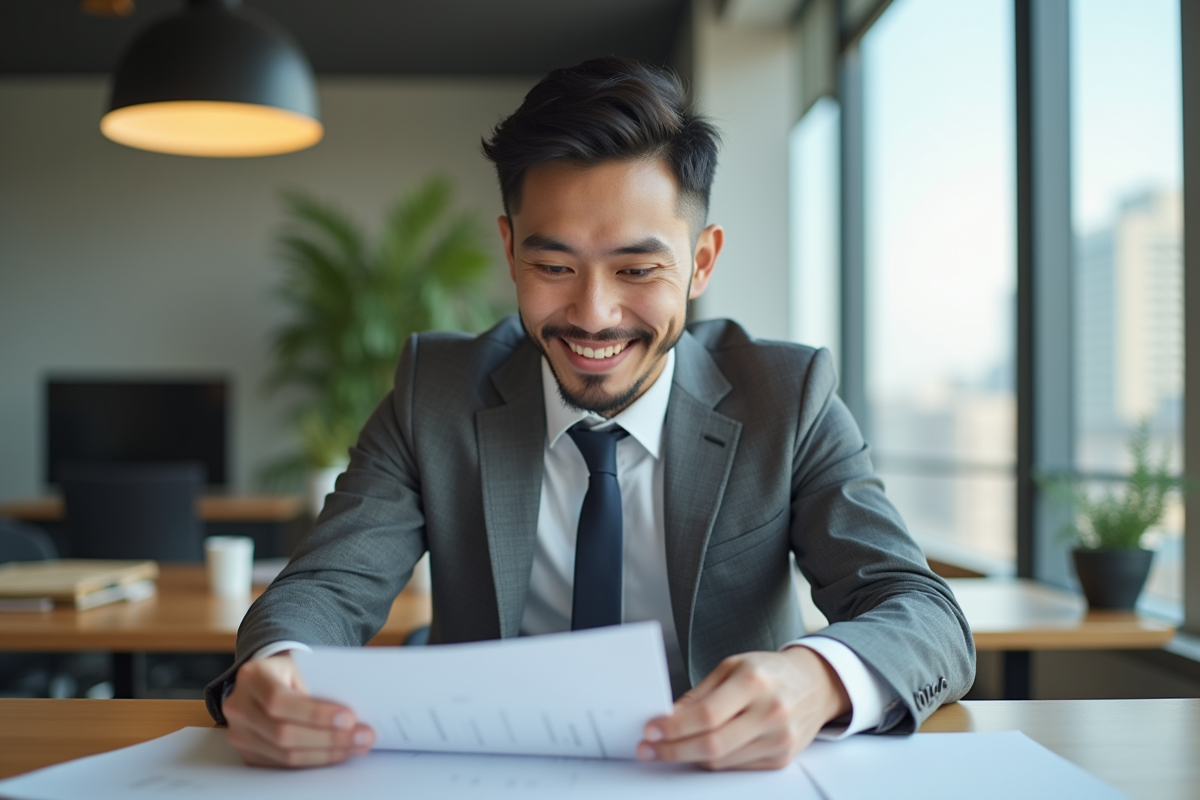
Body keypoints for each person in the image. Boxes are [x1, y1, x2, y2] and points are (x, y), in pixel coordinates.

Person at [205, 56, 975, 771]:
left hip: (718, 776)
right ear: (509, 253)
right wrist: (279, 672)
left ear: (701, 261)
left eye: (638, 269)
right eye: (553, 268)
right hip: (491, 769)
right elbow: (326, 588)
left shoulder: (787, 395)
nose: (594, 315)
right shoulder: (433, 389)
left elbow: (921, 612)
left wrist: (817, 680)